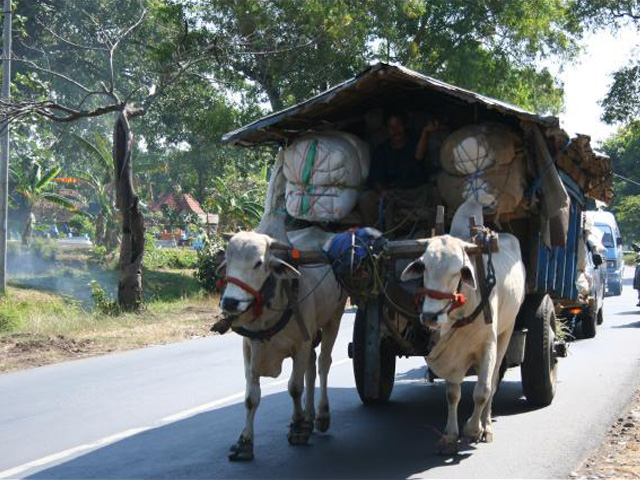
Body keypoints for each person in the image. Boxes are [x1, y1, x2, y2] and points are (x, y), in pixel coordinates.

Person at [358, 110, 442, 227]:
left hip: (416, 193)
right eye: (391, 127)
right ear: (387, 130)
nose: (396, 131)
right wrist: (383, 192)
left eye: (398, 126)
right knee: (366, 198)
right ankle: (374, 237)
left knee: (435, 193)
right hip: (393, 194)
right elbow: (376, 178)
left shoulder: (414, 142)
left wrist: (425, 132)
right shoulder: (381, 151)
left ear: (405, 126)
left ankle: (436, 232)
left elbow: (419, 156)